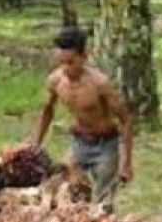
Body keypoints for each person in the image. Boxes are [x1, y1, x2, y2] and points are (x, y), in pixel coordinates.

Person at [31, 26, 134, 209]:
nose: (66, 68)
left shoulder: (100, 84)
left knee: (104, 203)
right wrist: (35, 145)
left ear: (84, 56)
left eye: (71, 62)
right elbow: (46, 111)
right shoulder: (55, 81)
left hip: (106, 146)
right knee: (62, 187)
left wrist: (126, 163)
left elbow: (125, 120)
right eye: (61, 63)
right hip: (79, 144)